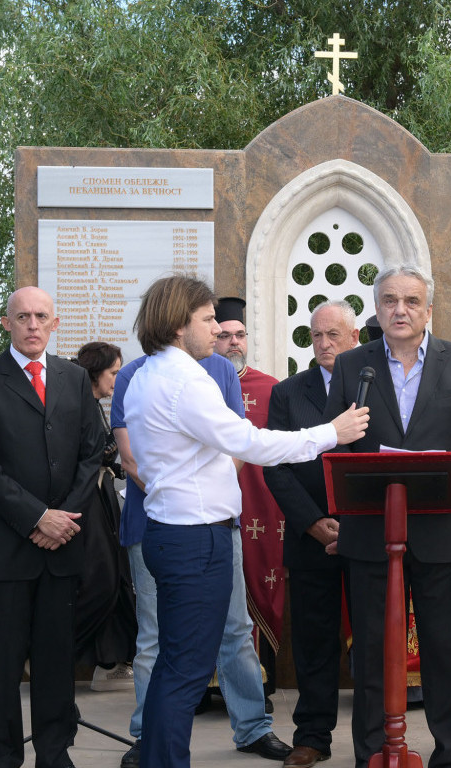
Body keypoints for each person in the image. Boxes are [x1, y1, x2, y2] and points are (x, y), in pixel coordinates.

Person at [124, 275, 368, 768]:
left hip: (172, 532)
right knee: (188, 671)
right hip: (195, 539)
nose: (217, 330)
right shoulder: (185, 380)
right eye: (208, 319)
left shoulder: (148, 374)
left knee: (175, 664)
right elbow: (249, 443)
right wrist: (329, 432)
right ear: (177, 325)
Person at [323, 264, 451, 768]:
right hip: (370, 532)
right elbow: (334, 445)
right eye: (390, 301)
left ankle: (450, 752)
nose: (400, 310)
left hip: (444, 532)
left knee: (449, 651)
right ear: (377, 309)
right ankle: (371, 753)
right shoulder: (353, 364)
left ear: (429, 310)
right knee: (374, 653)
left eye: (411, 301)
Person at [114, 343, 279, 767]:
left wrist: (207, 487)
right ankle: (148, 735)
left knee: (235, 629)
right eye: (207, 320)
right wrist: (181, 491)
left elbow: (236, 442)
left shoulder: (220, 369)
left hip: (216, 524)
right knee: (154, 637)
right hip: (159, 521)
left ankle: (252, 727)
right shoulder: (134, 374)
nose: (219, 334)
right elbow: (130, 456)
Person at [0, 286, 105, 768]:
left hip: (63, 547)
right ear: (6, 323)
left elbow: (93, 453)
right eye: (22, 317)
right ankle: (2, 756)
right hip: (8, 550)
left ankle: (54, 752)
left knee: (55, 662)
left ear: (55, 323)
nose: (32, 325)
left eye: (41, 316)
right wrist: (36, 517)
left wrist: (62, 520)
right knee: (1, 665)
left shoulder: (74, 379)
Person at [263, 300, 362, 768]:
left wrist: (359, 522)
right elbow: (277, 466)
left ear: (355, 335)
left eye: (333, 334)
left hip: (369, 533)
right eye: (316, 335)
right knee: (313, 639)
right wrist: (313, 524)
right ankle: (312, 736)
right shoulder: (287, 393)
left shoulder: (374, 382)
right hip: (310, 536)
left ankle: (376, 736)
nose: (323, 343)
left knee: (372, 637)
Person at [215, 296, 287, 705]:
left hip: (262, 509)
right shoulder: (198, 385)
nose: (233, 342)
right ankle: (209, 689)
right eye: (224, 335)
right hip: (212, 508)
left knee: (260, 584)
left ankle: (258, 684)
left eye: (239, 334)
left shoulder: (270, 388)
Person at [70, 341, 137, 690]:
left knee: (116, 580)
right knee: (101, 580)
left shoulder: (94, 405)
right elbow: (89, 455)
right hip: (87, 499)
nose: (116, 379)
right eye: (113, 372)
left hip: (102, 497)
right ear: (96, 371)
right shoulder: (76, 405)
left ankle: (110, 662)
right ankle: (54, 653)